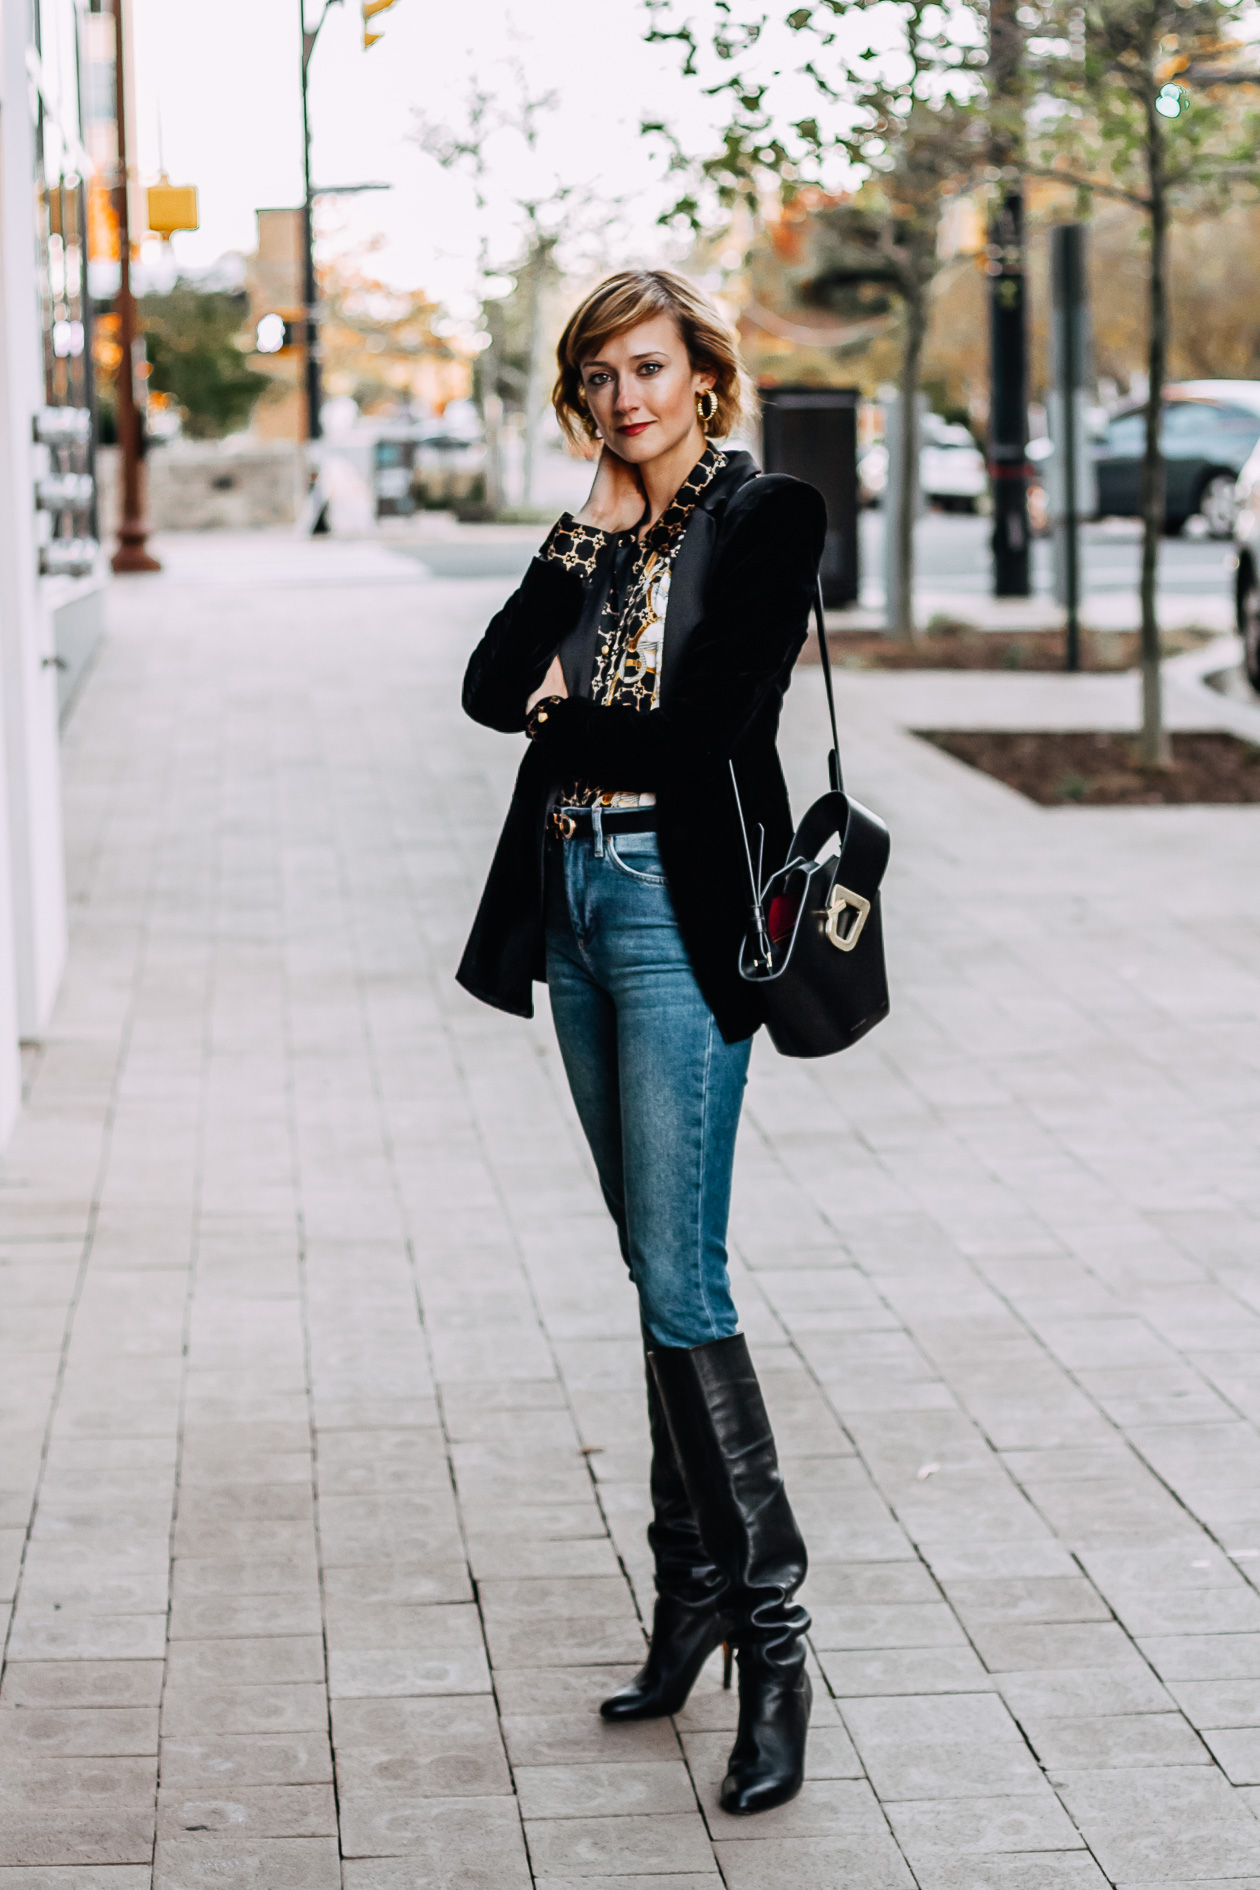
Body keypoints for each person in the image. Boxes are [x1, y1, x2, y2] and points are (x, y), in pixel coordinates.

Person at [458, 269, 826, 1816]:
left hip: (682, 922)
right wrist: (581, 536)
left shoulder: (773, 518)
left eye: (651, 367)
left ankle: (776, 1639)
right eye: (600, 374)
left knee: (684, 1279)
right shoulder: (601, 531)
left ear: (706, 375)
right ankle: (687, 1593)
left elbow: (713, 731)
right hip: (574, 904)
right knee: (650, 1267)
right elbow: (488, 686)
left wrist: (565, 722)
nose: (627, 397)